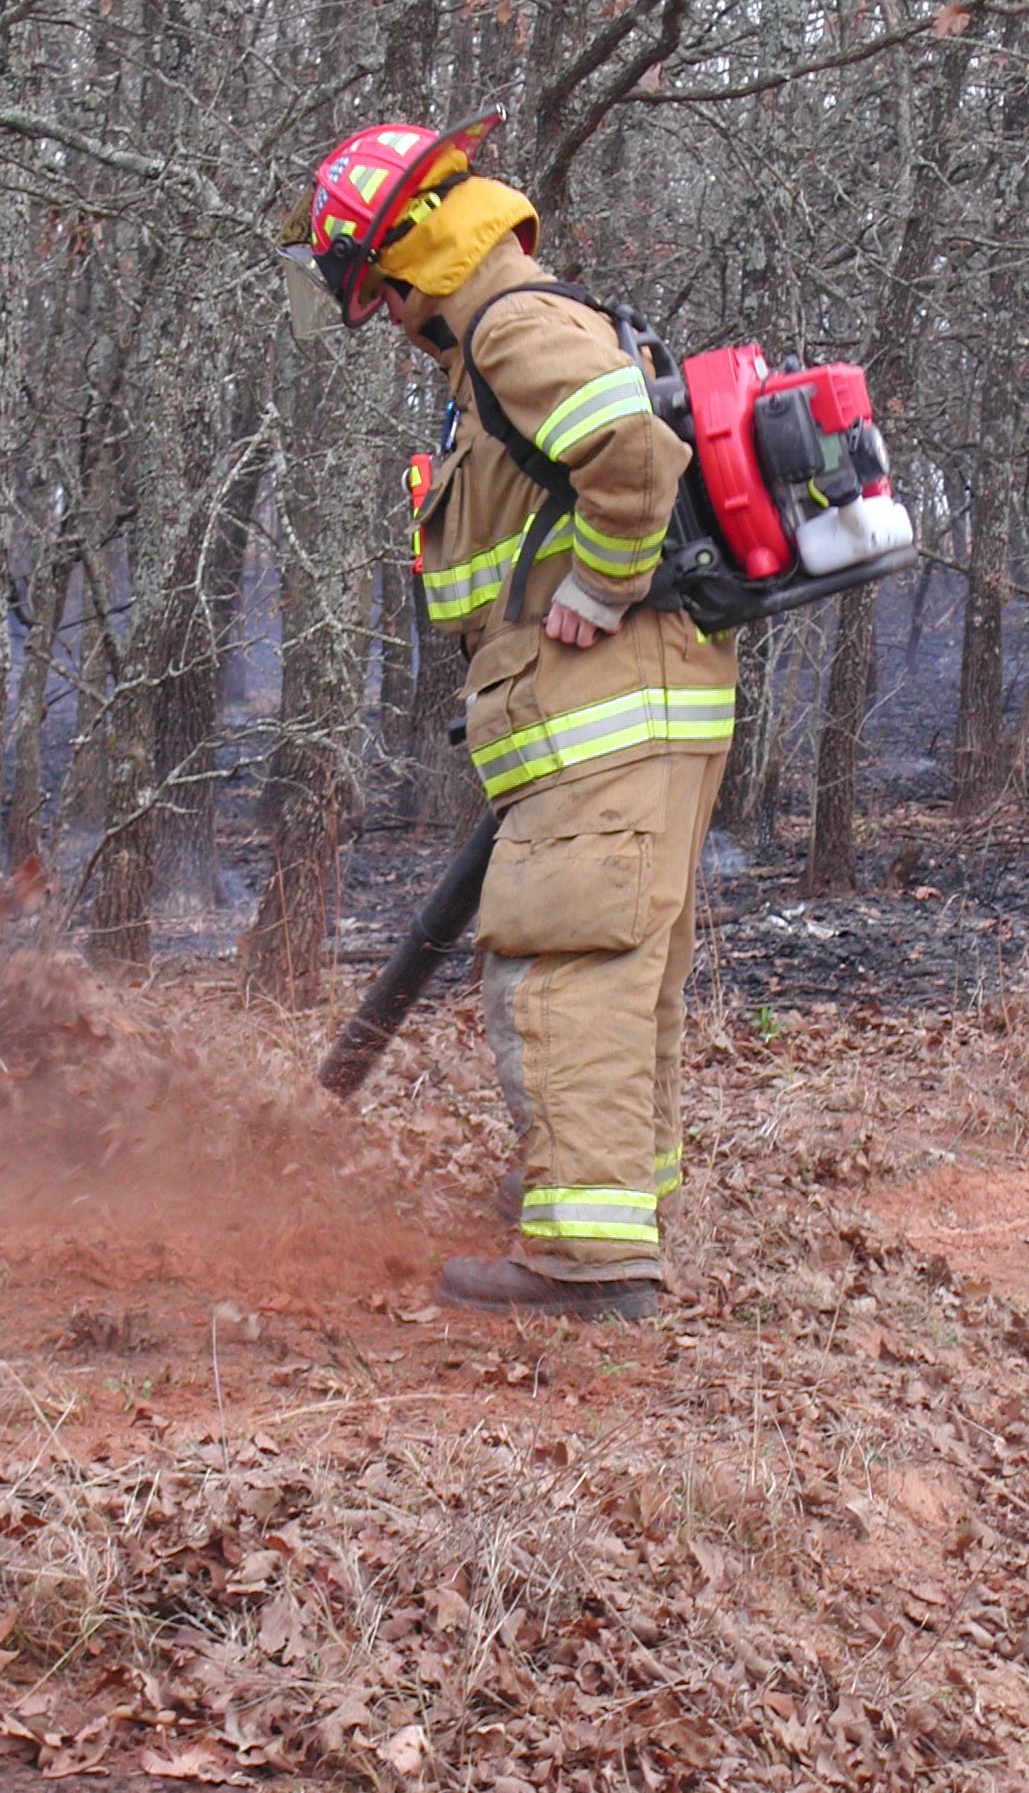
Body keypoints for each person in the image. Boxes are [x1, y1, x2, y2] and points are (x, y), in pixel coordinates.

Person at [283, 107, 737, 1319]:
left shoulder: (512, 326)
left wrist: (600, 582)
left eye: (370, 288)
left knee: (559, 965)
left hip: (610, 700)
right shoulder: (511, 328)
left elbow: (632, 454)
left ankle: (589, 1261)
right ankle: (607, 1195)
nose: (378, 316)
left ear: (399, 260)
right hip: (643, 702)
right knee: (623, 961)